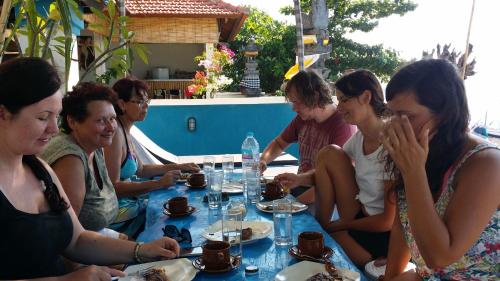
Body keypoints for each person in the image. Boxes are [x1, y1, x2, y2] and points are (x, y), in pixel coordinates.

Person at [0, 57, 180, 280]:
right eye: (43, 117)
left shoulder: (40, 170)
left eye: (55, 117)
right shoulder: (68, 159)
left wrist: (142, 250)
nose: (54, 129)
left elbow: (76, 240)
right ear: (3, 113)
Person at [381, 59, 499, 280]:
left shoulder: (487, 164)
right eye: (392, 114)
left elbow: (440, 256)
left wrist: (413, 171)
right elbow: (402, 227)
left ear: (445, 115)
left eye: (407, 116)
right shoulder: (423, 151)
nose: (395, 125)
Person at [276, 70, 395, 267]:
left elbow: (387, 222)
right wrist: (299, 179)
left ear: (366, 97)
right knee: (329, 153)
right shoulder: (360, 138)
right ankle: (321, 225)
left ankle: (327, 232)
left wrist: (342, 225)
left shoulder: (391, 144)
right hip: (359, 216)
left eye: (344, 100)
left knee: (317, 250)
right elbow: (327, 167)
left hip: (380, 234)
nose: (339, 108)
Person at [104, 77, 199, 237]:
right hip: (120, 215)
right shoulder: (115, 135)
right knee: (174, 222)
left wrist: (179, 166)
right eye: (140, 102)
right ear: (121, 104)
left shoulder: (126, 131)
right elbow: (114, 187)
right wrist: (159, 183)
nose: (146, 106)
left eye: (147, 101)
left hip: (134, 205)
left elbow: (141, 169)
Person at [41, 82, 124, 239]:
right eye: (100, 120)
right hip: (79, 258)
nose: (111, 127)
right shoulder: (70, 159)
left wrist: (111, 237)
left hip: (98, 242)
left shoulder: (95, 145)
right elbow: (64, 234)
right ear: (73, 122)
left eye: (112, 119)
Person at [259, 70, 356, 204]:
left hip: (324, 200)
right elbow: (279, 143)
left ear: (314, 97)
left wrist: (293, 205)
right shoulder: (303, 118)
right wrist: (263, 160)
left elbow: (335, 180)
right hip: (299, 188)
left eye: (297, 102)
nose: (294, 108)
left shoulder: (343, 126)